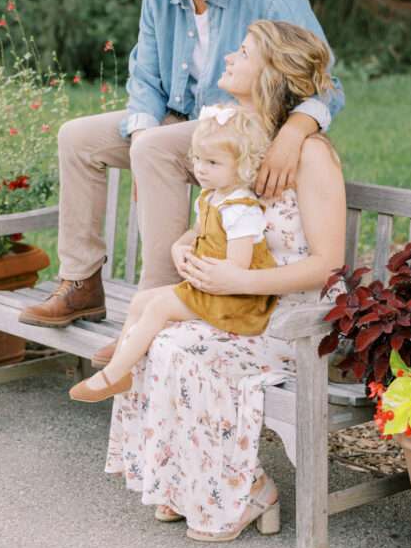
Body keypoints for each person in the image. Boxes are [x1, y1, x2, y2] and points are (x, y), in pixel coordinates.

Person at [19, 0, 344, 328]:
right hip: (187, 126)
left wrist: (292, 133)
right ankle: (81, 284)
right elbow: (145, 79)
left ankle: (154, 309)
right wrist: (138, 138)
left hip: (247, 130)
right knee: (78, 138)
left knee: (154, 148)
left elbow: (325, 80)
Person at [105, 19, 346, 543]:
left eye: (244, 51)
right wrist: (186, 242)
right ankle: (186, 483)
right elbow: (222, 214)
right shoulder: (237, 136)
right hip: (240, 303)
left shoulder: (311, 155)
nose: (230, 56)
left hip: (294, 318)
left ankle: (248, 490)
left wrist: (239, 278)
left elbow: (328, 265)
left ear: (273, 73)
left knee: (185, 350)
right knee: (158, 338)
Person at [68, 104, 278, 403]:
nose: (201, 169)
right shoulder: (211, 196)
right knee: (141, 300)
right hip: (209, 288)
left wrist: (198, 271)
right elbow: (198, 232)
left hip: (235, 301)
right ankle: (122, 365)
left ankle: (110, 376)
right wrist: (181, 246)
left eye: (213, 162)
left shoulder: (241, 209)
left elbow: (238, 267)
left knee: (158, 308)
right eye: (198, 159)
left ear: (242, 165)